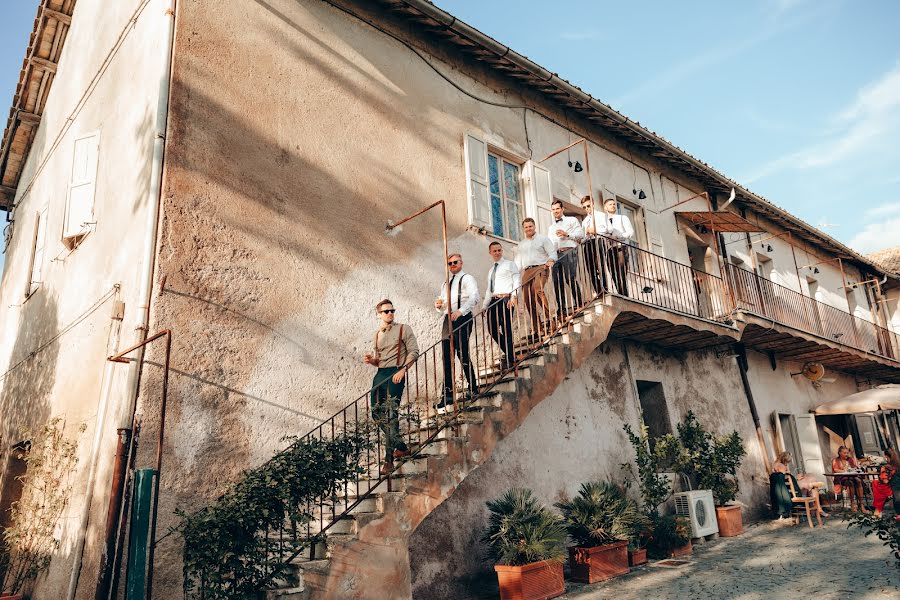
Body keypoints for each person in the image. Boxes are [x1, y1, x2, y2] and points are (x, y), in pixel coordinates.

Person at [364, 299, 419, 475]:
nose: (390, 314)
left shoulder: (404, 328)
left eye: (392, 311)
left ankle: (388, 460)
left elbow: (414, 351)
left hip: (396, 373)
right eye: (386, 311)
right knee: (375, 412)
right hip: (380, 374)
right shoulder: (377, 334)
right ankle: (401, 446)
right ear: (378, 314)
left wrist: (403, 370)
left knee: (391, 413)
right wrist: (372, 361)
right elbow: (380, 360)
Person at [435, 253, 480, 408]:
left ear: (461, 263)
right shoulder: (445, 283)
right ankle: (447, 395)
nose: (452, 265)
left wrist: (461, 311)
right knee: (446, 357)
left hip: (463, 317)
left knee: (462, 353)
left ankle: (473, 388)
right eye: (450, 263)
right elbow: (444, 305)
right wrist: (439, 307)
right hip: (448, 320)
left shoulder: (467, 278)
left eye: (455, 262)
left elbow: (475, 297)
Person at [515, 217, 557, 335]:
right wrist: (512, 275)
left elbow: (552, 252)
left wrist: (550, 260)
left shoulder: (543, 239)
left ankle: (550, 319)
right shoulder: (521, 244)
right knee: (527, 298)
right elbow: (518, 262)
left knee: (538, 290)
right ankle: (537, 327)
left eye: (530, 226)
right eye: (526, 227)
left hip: (540, 267)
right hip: (527, 271)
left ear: (534, 227)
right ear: (523, 229)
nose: (528, 229)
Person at [483, 241, 521, 370]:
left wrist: (514, 296)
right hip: (493, 301)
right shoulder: (490, 270)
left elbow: (517, 280)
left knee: (506, 329)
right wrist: (484, 306)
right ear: (490, 253)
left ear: (502, 251)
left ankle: (510, 358)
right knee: (492, 329)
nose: (497, 253)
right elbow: (489, 289)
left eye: (499, 250)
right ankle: (510, 354)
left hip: (506, 299)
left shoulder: (510, 264)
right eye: (494, 251)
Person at [547, 199, 584, 320]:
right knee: (557, 282)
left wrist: (567, 234)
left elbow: (581, 234)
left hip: (569, 251)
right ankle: (561, 310)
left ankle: (579, 304)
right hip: (556, 255)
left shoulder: (572, 220)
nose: (555, 211)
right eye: (553, 209)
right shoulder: (551, 227)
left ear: (562, 209)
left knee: (570, 278)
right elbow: (550, 243)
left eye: (557, 208)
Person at [774, 451, 828, 518]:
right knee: (811, 482)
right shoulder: (782, 466)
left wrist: (796, 477)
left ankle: (814, 509)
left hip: (790, 487)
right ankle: (819, 509)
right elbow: (786, 479)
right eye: (788, 461)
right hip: (792, 490)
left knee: (810, 478)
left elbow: (786, 478)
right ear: (784, 459)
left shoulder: (775, 464)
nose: (787, 463)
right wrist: (796, 478)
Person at [598, 198, 634, 297]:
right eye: (610, 204)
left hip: (621, 247)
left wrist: (620, 237)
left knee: (621, 273)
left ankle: (625, 296)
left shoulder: (623, 218)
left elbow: (630, 232)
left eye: (614, 204)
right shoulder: (603, 221)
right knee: (613, 273)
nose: (613, 206)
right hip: (609, 249)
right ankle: (620, 294)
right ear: (605, 207)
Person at [832, 445, 868, 513]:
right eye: (844, 453)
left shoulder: (850, 459)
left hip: (852, 476)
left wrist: (855, 469)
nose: (846, 454)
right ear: (839, 453)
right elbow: (835, 469)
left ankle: (861, 504)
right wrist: (845, 471)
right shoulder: (836, 460)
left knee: (859, 481)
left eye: (847, 453)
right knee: (850, 482)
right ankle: (852, 503)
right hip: (842, 478)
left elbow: (854, 467)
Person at [580, 195, 605, 296]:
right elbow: (583, 237)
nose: (587, 209)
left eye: (588, 206)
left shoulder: (601, 216)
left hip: (598, 241)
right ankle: (598, 290)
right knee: (591, 269)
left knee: (600, 266)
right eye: (584, 207)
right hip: (588, 244)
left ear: (593, 204)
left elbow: (607, 230)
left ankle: (605, 288)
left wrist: (596, 231)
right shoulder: (585, 221)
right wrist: (585, 234)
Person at [873, 448, 900, 518]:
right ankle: (878, 511)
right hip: (897, 487)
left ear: (887, 457)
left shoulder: (886, 467)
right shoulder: (898, 464)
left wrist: (880, 478)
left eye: (886, 457)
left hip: (892, 488)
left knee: (876, 484)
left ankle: (878, 511)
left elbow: (885, 481)